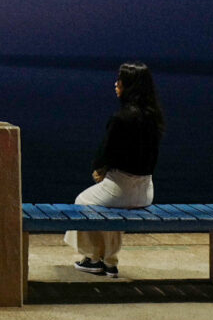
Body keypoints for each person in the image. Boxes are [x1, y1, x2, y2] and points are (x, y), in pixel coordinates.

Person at [65, 62, 165, 278]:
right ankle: (110, 262)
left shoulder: (121, 118)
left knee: (82, 203)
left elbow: (106, 152)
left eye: (120, 80)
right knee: (109, 209)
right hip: (146, 191)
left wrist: (99, 170)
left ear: (128, 85)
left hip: (121, 188)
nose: (116, 84)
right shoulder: (153, 118)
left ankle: (93, 258)